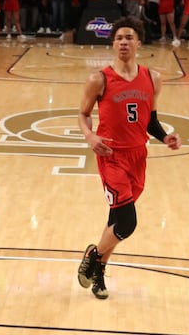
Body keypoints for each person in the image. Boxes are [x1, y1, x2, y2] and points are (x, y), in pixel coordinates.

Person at [77, 16, 181, 299]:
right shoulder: (99, 79)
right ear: (113, 43)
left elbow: (151, 120)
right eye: (119, 37)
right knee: (127, 223)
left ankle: (98, 271)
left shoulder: (152, 78)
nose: (123, 42)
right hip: (111, 156)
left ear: (138, 43)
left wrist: (165, 136)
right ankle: (94, 255)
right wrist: (90, 136)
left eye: (128, 37)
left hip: (138, 156)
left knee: (115, 218)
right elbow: (83, 114)